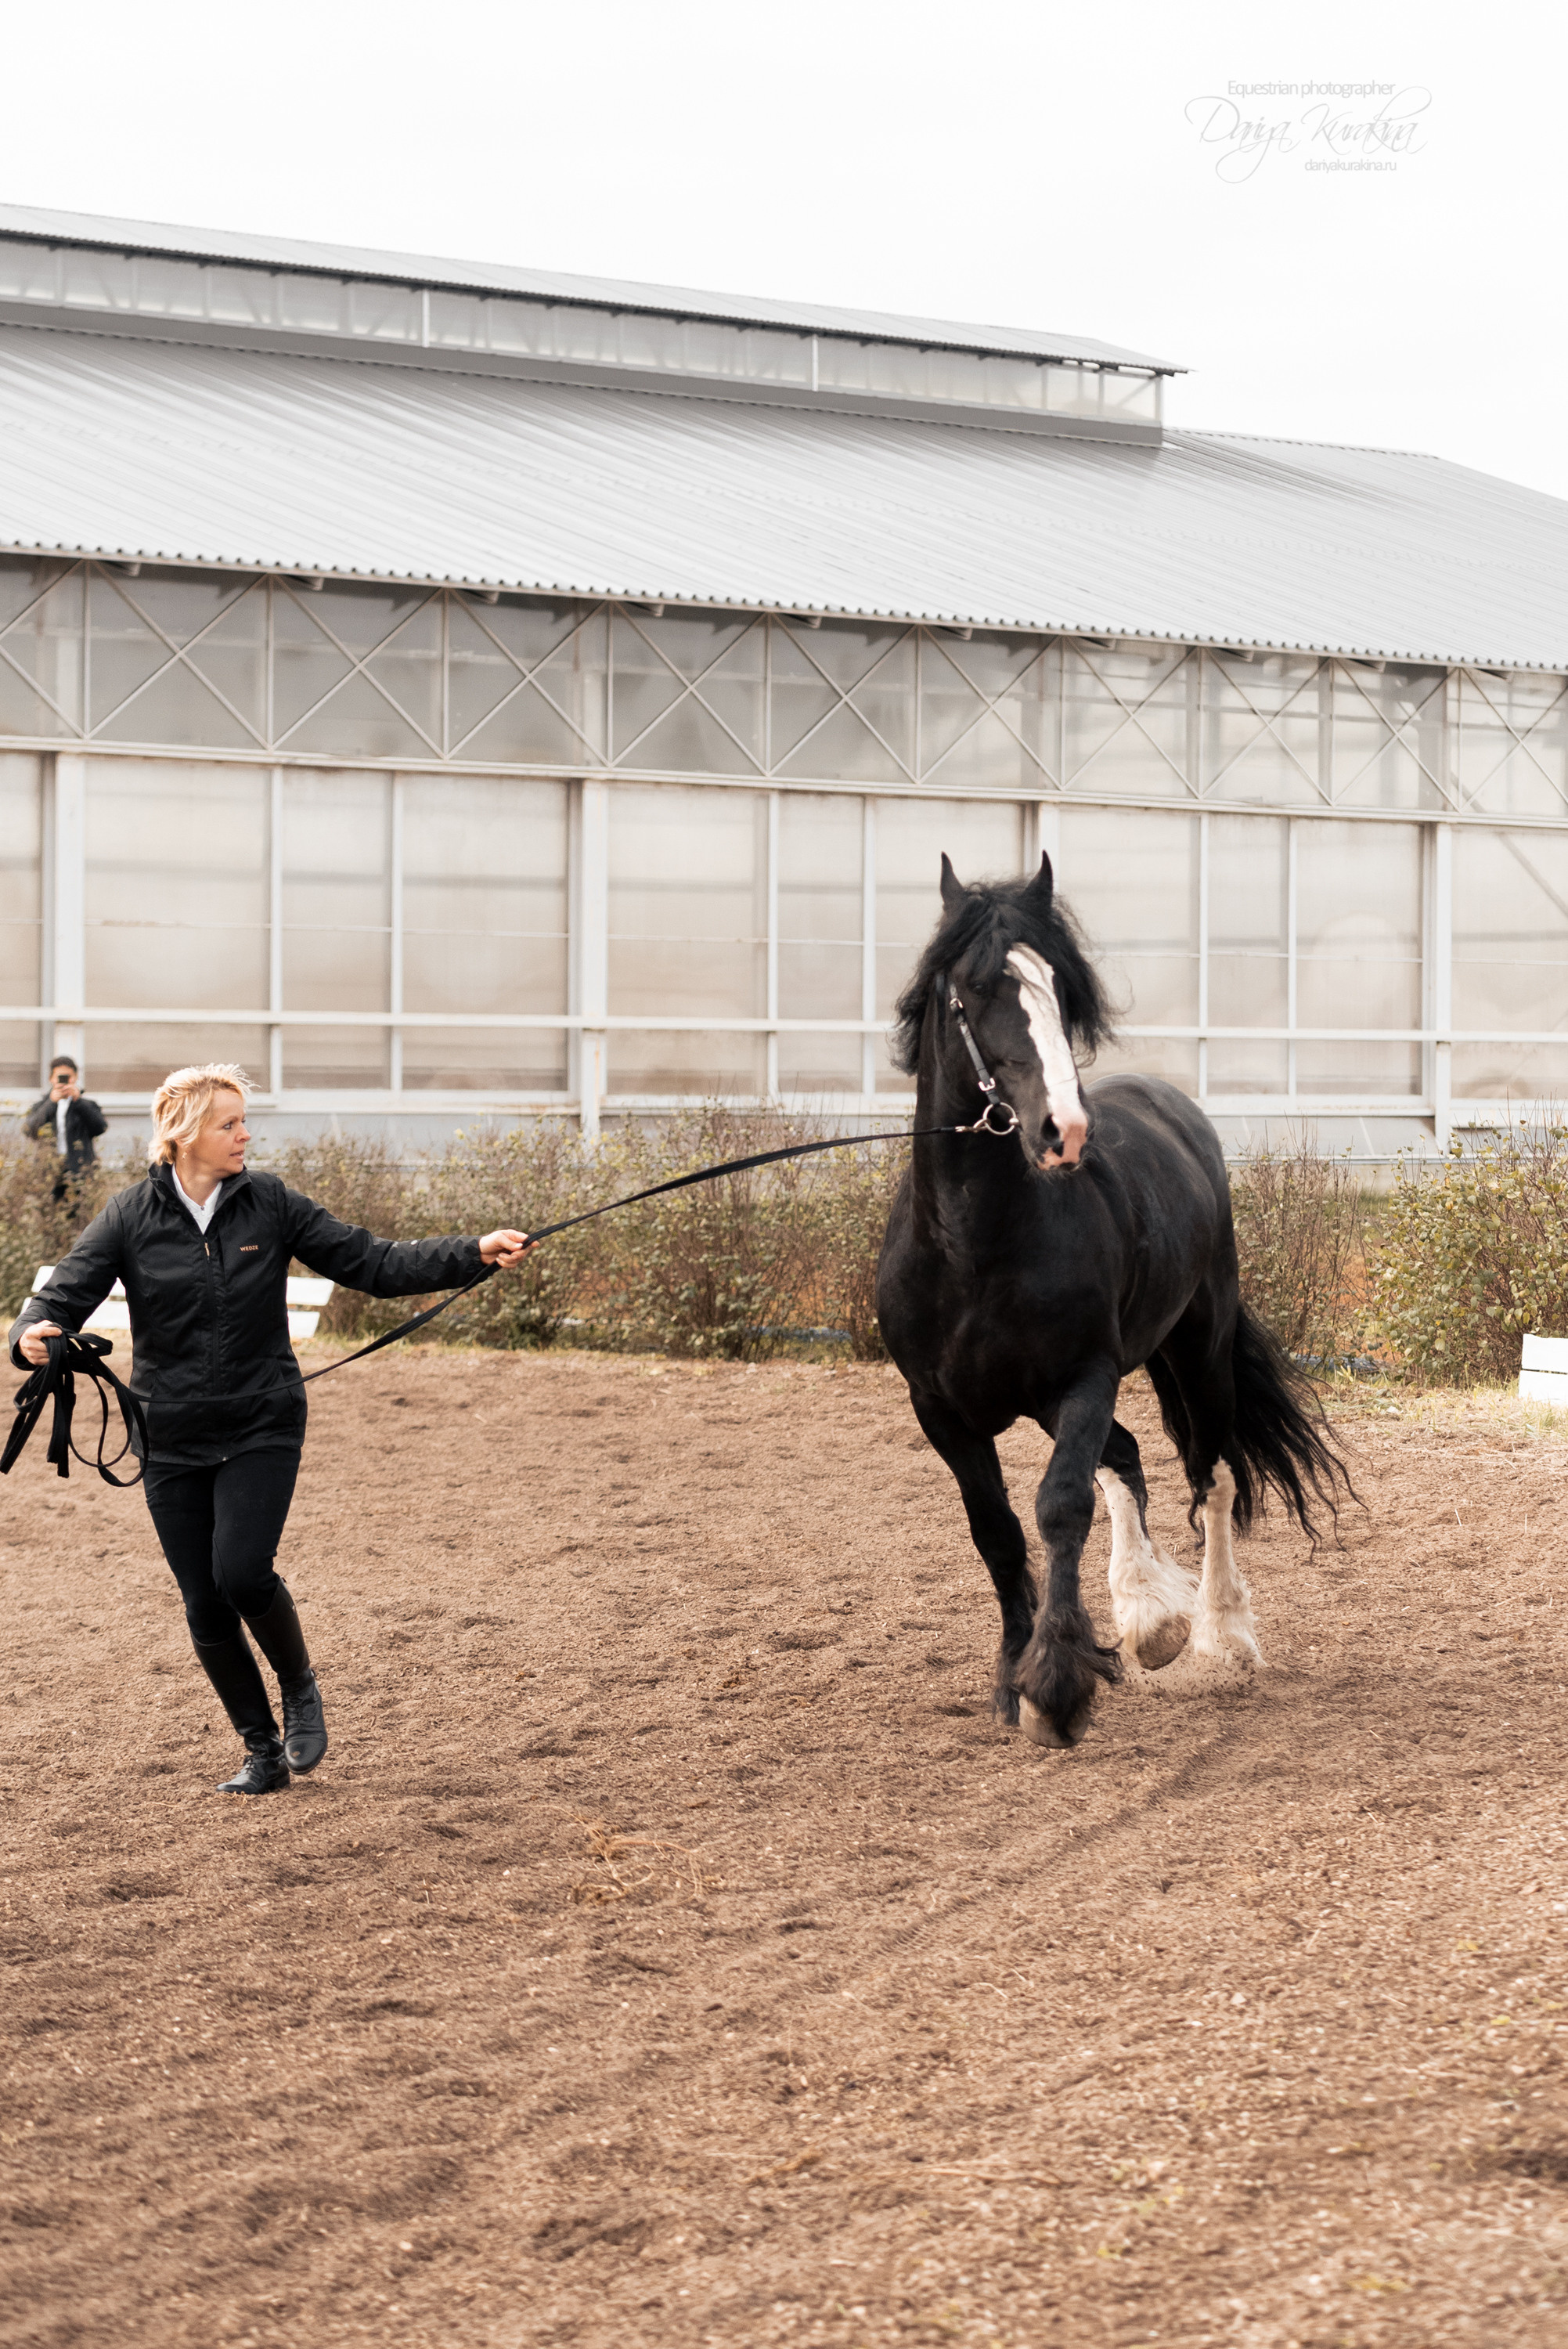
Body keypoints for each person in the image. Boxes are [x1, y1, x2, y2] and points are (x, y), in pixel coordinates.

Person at [8, 1064, 532, 1799]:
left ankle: (299, 1685)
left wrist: (470, 1251)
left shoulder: (272, 1203)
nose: (244, 1135)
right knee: (203, 1601)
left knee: (242, 1571)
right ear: (184, 1133)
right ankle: (261, 1750)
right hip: (171, 1435)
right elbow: (62, 1294)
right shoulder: (129, 1215)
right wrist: (33, 1332)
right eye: (229, 1124)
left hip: (262, 1424)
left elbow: (372, 1262)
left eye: (243, 1122)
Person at [23, 1055, 108, 1202]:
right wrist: (51, 1103)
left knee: (81, 1214)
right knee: (49, 1212)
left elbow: (100, 1127)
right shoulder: (41, 1105)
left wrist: (78, 1102)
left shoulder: (87, 1105)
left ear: (75, 1078)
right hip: (49, 1171)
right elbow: (30, 1130)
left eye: (68, 1077)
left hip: (80, 1169)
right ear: (51, 1078)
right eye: (60, 1077)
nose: (64, 1081)